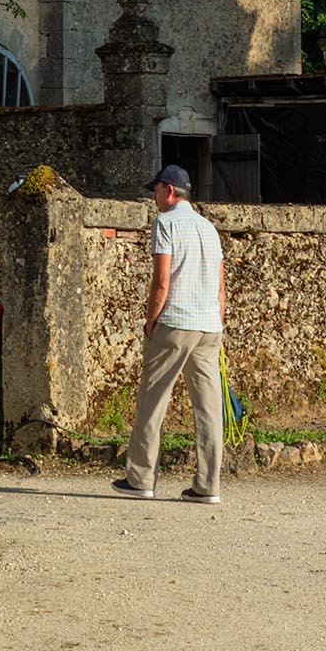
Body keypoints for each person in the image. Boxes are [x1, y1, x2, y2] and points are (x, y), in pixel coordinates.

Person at [113, 164, 227, 504]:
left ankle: (141, 479)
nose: (154, 196)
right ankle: (208, 486)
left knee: (153, 401)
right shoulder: (209, 228)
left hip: (176, 323)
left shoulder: (165, 223)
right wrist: (216, 321)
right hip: (209, 326)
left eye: (156, 189)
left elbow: (161, 282)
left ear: (169, 190)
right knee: (209, 409)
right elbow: (221, 289)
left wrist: (151, 322)